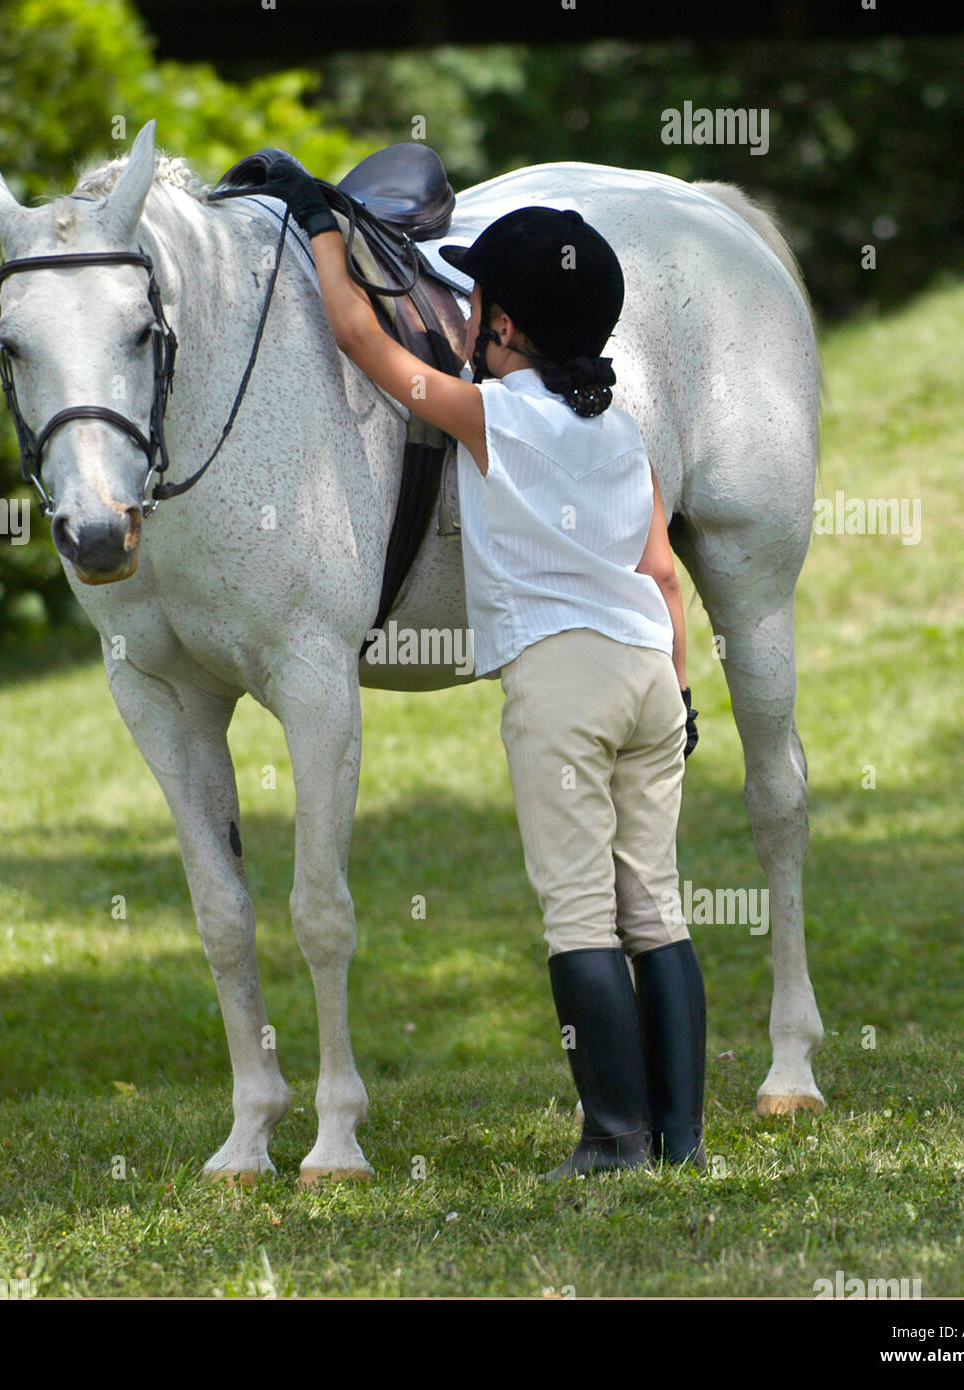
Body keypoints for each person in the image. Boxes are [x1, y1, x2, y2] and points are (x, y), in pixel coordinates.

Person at [257, 158, 707, 1178]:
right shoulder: (622, 431)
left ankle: (612, 1139)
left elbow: (366, 342)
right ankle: (680, 1136)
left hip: (561, 684)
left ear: (502, 328)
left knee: (579, 913)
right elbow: (662, 570)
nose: (463, 323)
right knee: (657, 909)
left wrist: (320, 222)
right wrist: (679, 694)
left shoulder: (493, 415)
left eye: (477, 308)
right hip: (646, 668)